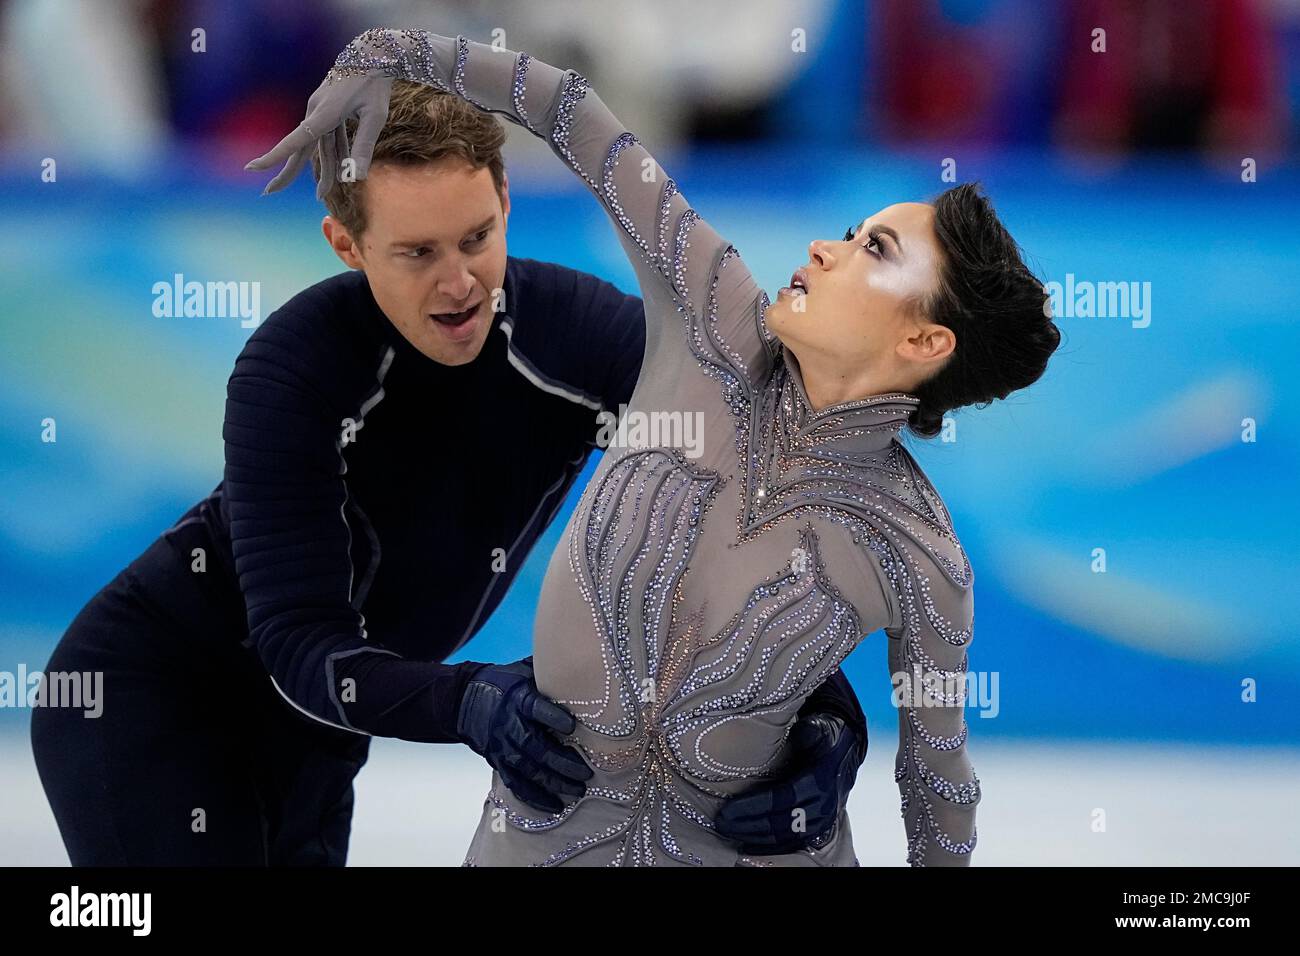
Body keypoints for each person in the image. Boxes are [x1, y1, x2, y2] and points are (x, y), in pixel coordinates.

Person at [248, 27, 1061, 866]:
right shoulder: (711, 314)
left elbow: (940, 797)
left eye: (873, 251)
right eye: (854, 230)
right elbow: (576, 114)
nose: (826, 246)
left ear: (927, 344)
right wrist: (388, 53)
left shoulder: (920, 554)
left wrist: (835, 742)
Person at [29, 78, 870, 866]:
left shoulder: (586, 340)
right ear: (346, 244)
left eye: (476, 237)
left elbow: (748, 540)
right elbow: (297, 642)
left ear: (506, 200)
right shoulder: (293, 369)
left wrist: (830, 719)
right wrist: (468, 702)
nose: (459, 282)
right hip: (151, 690)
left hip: (321, 727)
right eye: (418, 252)